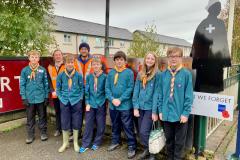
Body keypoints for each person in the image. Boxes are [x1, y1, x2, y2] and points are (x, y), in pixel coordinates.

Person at [157, 47, 193, 160]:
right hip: (166, 114)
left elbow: (189, 96)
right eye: (171, 56)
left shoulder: (186, 74)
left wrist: (185, 113)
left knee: (180, 142)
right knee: (169, 140)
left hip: (180, 115)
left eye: (176, 56)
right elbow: (160, 95)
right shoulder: (163, 75)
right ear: (168, 58)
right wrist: (160, 110)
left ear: (181, 58)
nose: (173, 59)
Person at [105, 51, 136, 159]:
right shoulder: (111, 73)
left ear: (125, 61)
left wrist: (120, 99)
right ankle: (115, 141)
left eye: (121, 59)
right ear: (114, 61)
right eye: (117, 59)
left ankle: (132, 145)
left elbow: (130, 88)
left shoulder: (129, 73)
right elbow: (107, 88)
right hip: (113, 105)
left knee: (127, 126)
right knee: (115, 124)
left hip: (125, 105)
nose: (119, 61)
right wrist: (112, 99)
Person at [132, 52, 160, 160]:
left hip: (149, 108)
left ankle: (153, 153)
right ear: (145, 60)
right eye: (148, 58)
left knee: (144, 131)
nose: (149, 60)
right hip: (140, 107)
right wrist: (135, 107)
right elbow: (136, 90)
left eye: (152, 58)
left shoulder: (157, 74)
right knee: (140, 131)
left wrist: (154, 112)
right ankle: (147, 150)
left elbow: (156, 94)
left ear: (155, 61)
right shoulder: (140, 73)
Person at [20, 50, 49, 144]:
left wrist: (46, 97)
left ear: (38, 59)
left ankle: (43, 132)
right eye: (32, 57)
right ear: (29, 58)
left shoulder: (42, 70)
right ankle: (30, 134)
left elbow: (46, 84)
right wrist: (24, 97)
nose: (34, 59)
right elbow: (22, 85)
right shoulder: (25, 70)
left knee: (42, 116)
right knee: (30, 118)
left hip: (40, 98)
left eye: (36, 57)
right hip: (30, 99)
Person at [56, 53, 84, 153]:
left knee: (76, 121)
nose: (70, 64)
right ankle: (65, 143)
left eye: (72, 62)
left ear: (74, 63)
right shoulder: (61, 75)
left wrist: (80, 98)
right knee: (64, 121)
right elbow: (58, 88)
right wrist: (60, 98)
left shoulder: (78, 75)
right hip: (64, 101)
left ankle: (75, 142)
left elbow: (82, 89)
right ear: (65, 63)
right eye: (68, 62)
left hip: (76, 101)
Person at [79, 57, 107, 153]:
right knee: (88, 124)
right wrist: (87, 102)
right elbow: (87, 91)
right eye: (94, 64)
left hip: (100, 104)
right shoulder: (89, 77)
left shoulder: (105, 77)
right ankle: (86, 143)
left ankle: (97, 142)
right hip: (90, 104)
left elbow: (106, 91)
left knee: (100, 124)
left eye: (97, 64)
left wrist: (102, 101)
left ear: (100, 66)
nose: (95, 66)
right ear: (92, 66)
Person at [47, 49, 65, 137]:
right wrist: (52, 91)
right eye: (56, 55)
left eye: (59, 54)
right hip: (55, 94)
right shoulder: (50, 67)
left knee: (65, 112)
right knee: (57, 112)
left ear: (62, 56)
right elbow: (49, 80)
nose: (58, 56)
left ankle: (66, 129)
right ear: (53, 57)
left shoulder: (66, 65)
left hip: (65, 94)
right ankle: (58, 129)